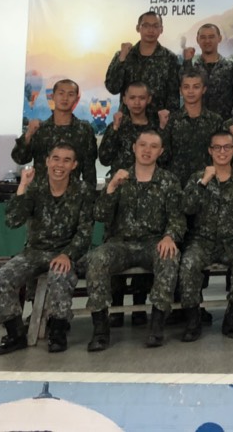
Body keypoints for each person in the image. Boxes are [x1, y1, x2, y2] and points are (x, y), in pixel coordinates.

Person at [0, 143, 94, 355]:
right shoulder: (35, 188)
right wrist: (22, 186)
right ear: (47, 161)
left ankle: (58, 331)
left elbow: (85, 232)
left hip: (67, 252)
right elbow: (13, 220)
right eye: (56, 159)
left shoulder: (82, 191)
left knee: (60, 275)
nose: (59, 165)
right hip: (34, 252)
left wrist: (67, 255)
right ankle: (15, 334)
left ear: (74, 165)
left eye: (66, 160)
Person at [85, 130, 185, 351]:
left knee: (169, 256)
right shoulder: (120, 178)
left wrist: (170, 236)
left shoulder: (169, 181)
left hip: (153, 243)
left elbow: (177, 218)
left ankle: (157, 325)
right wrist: (111, 187)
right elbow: (100, 215)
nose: (147, 150)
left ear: (161, 152)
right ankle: (100, 329)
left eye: (153, 146)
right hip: (120, 244)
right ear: (134, 148)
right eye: (142, 145)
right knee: (97, 258)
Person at [178, 131, 233, 342]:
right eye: (217, 147)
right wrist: (204, 182)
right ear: (210, 150)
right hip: (201, 240)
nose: (222, 152)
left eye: (227, 147)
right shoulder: (197, 178)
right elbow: (186, 208)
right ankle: (193, 320)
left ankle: (231, 318)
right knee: (188, 263)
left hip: (232, 241)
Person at [13, 78, 98, 189]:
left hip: (72, 194)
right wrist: (28, 134)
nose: (65, 98)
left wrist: (89, 194)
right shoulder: (39, 129)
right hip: (40, 193)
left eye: (70, 94)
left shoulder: (84, 130)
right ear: (53, 96)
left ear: (76, 99)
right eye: (61, 93)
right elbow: (20, 159)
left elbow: (89, 170)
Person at [104, 10, 181, 116]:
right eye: (146, 26)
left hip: (157, 122)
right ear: (138, 28)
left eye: (155, 26)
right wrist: (121, 60)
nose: (150, 30)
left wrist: (168, 122)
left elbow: (173, 98)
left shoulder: (170, 58)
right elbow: (112, 88)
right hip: (128, 121)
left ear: (161, 29)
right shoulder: (124, 55)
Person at [162, 71, 224, 186]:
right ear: (180, 90)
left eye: (196, 87)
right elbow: (163, 155)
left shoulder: (215, 121)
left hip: (207, 182)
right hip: (176, 183)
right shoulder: (172, 120)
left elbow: (220, 154)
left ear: (204, 89)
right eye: (186, 87)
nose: (190, 91)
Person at [98, 81, 159, 175]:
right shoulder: (117, 125)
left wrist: (163, 128)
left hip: (151, 180)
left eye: (142, 98)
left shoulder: (157, 126)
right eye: (132, 98)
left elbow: (164, 158)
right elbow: (104, 159)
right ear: (125, 100)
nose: (137, 102)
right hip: (122, 180)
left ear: (149, 99)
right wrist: (114, 129)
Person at [182, 23, 233, 121]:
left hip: (224, 126)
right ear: (197, 40)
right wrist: (186, 62)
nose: (207, 41)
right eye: (203, 37)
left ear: (219, 38)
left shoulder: (232, 68)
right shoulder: (191, 68)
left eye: (211, 37)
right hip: (195, 125)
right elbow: (182, 89)